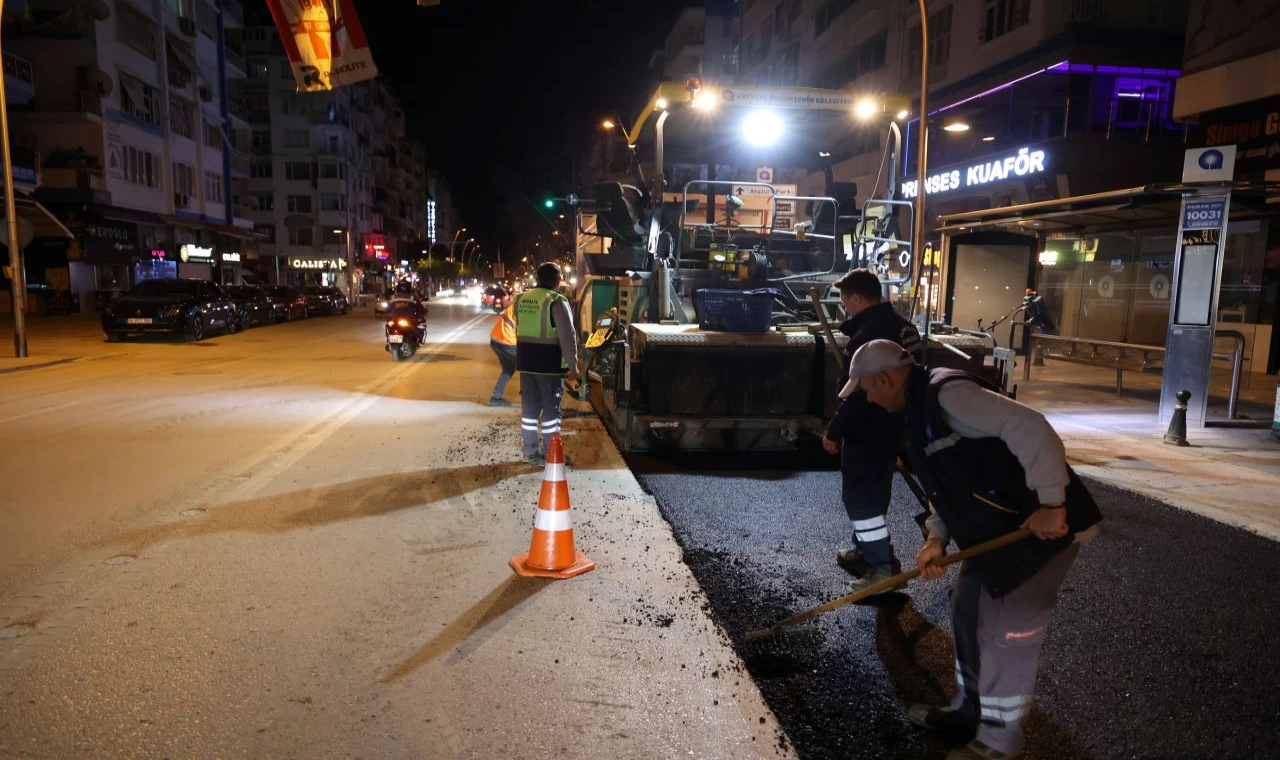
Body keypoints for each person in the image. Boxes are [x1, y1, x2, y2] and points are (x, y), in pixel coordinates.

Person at [849, 339, 1102, 760]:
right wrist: (936, 538)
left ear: (884, 379)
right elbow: (946, 483)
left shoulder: (948, 394)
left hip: (1040, 531)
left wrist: (1052, 504)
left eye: (868, 390)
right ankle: (970, 710)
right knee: (967, 608)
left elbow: (1031, 426)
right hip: (995, 529)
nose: (870, 399)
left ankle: (999, 742)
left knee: (1007, 631)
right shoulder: (917, 414)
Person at [820, 268, 923, 591]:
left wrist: (835, 431)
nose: (844, 306)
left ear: (856, 298)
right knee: (877, 490)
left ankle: (881, 567)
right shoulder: (905, 328)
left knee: (861, 498)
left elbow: (861, 394)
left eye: (845, 300)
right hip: (896, 425)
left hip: (868, 427)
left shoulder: (869, 335)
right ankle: (866, 551)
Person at [514, 262, 580, 464]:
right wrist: (573, 366)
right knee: (551, 412)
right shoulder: (556, 301)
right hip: (548, 365)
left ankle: (529, 452)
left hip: (526, 363)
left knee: (530, 410)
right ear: (558, 280)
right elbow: (567, 337)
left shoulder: (521, 299)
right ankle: (550, 455)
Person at [487, 300, 518, 407]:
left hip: (495, 340)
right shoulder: (524, 309)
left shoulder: (515, 304)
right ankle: (531, 400)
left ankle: (495, 398)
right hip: (507, 342)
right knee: (526, 368)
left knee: (508, 369)